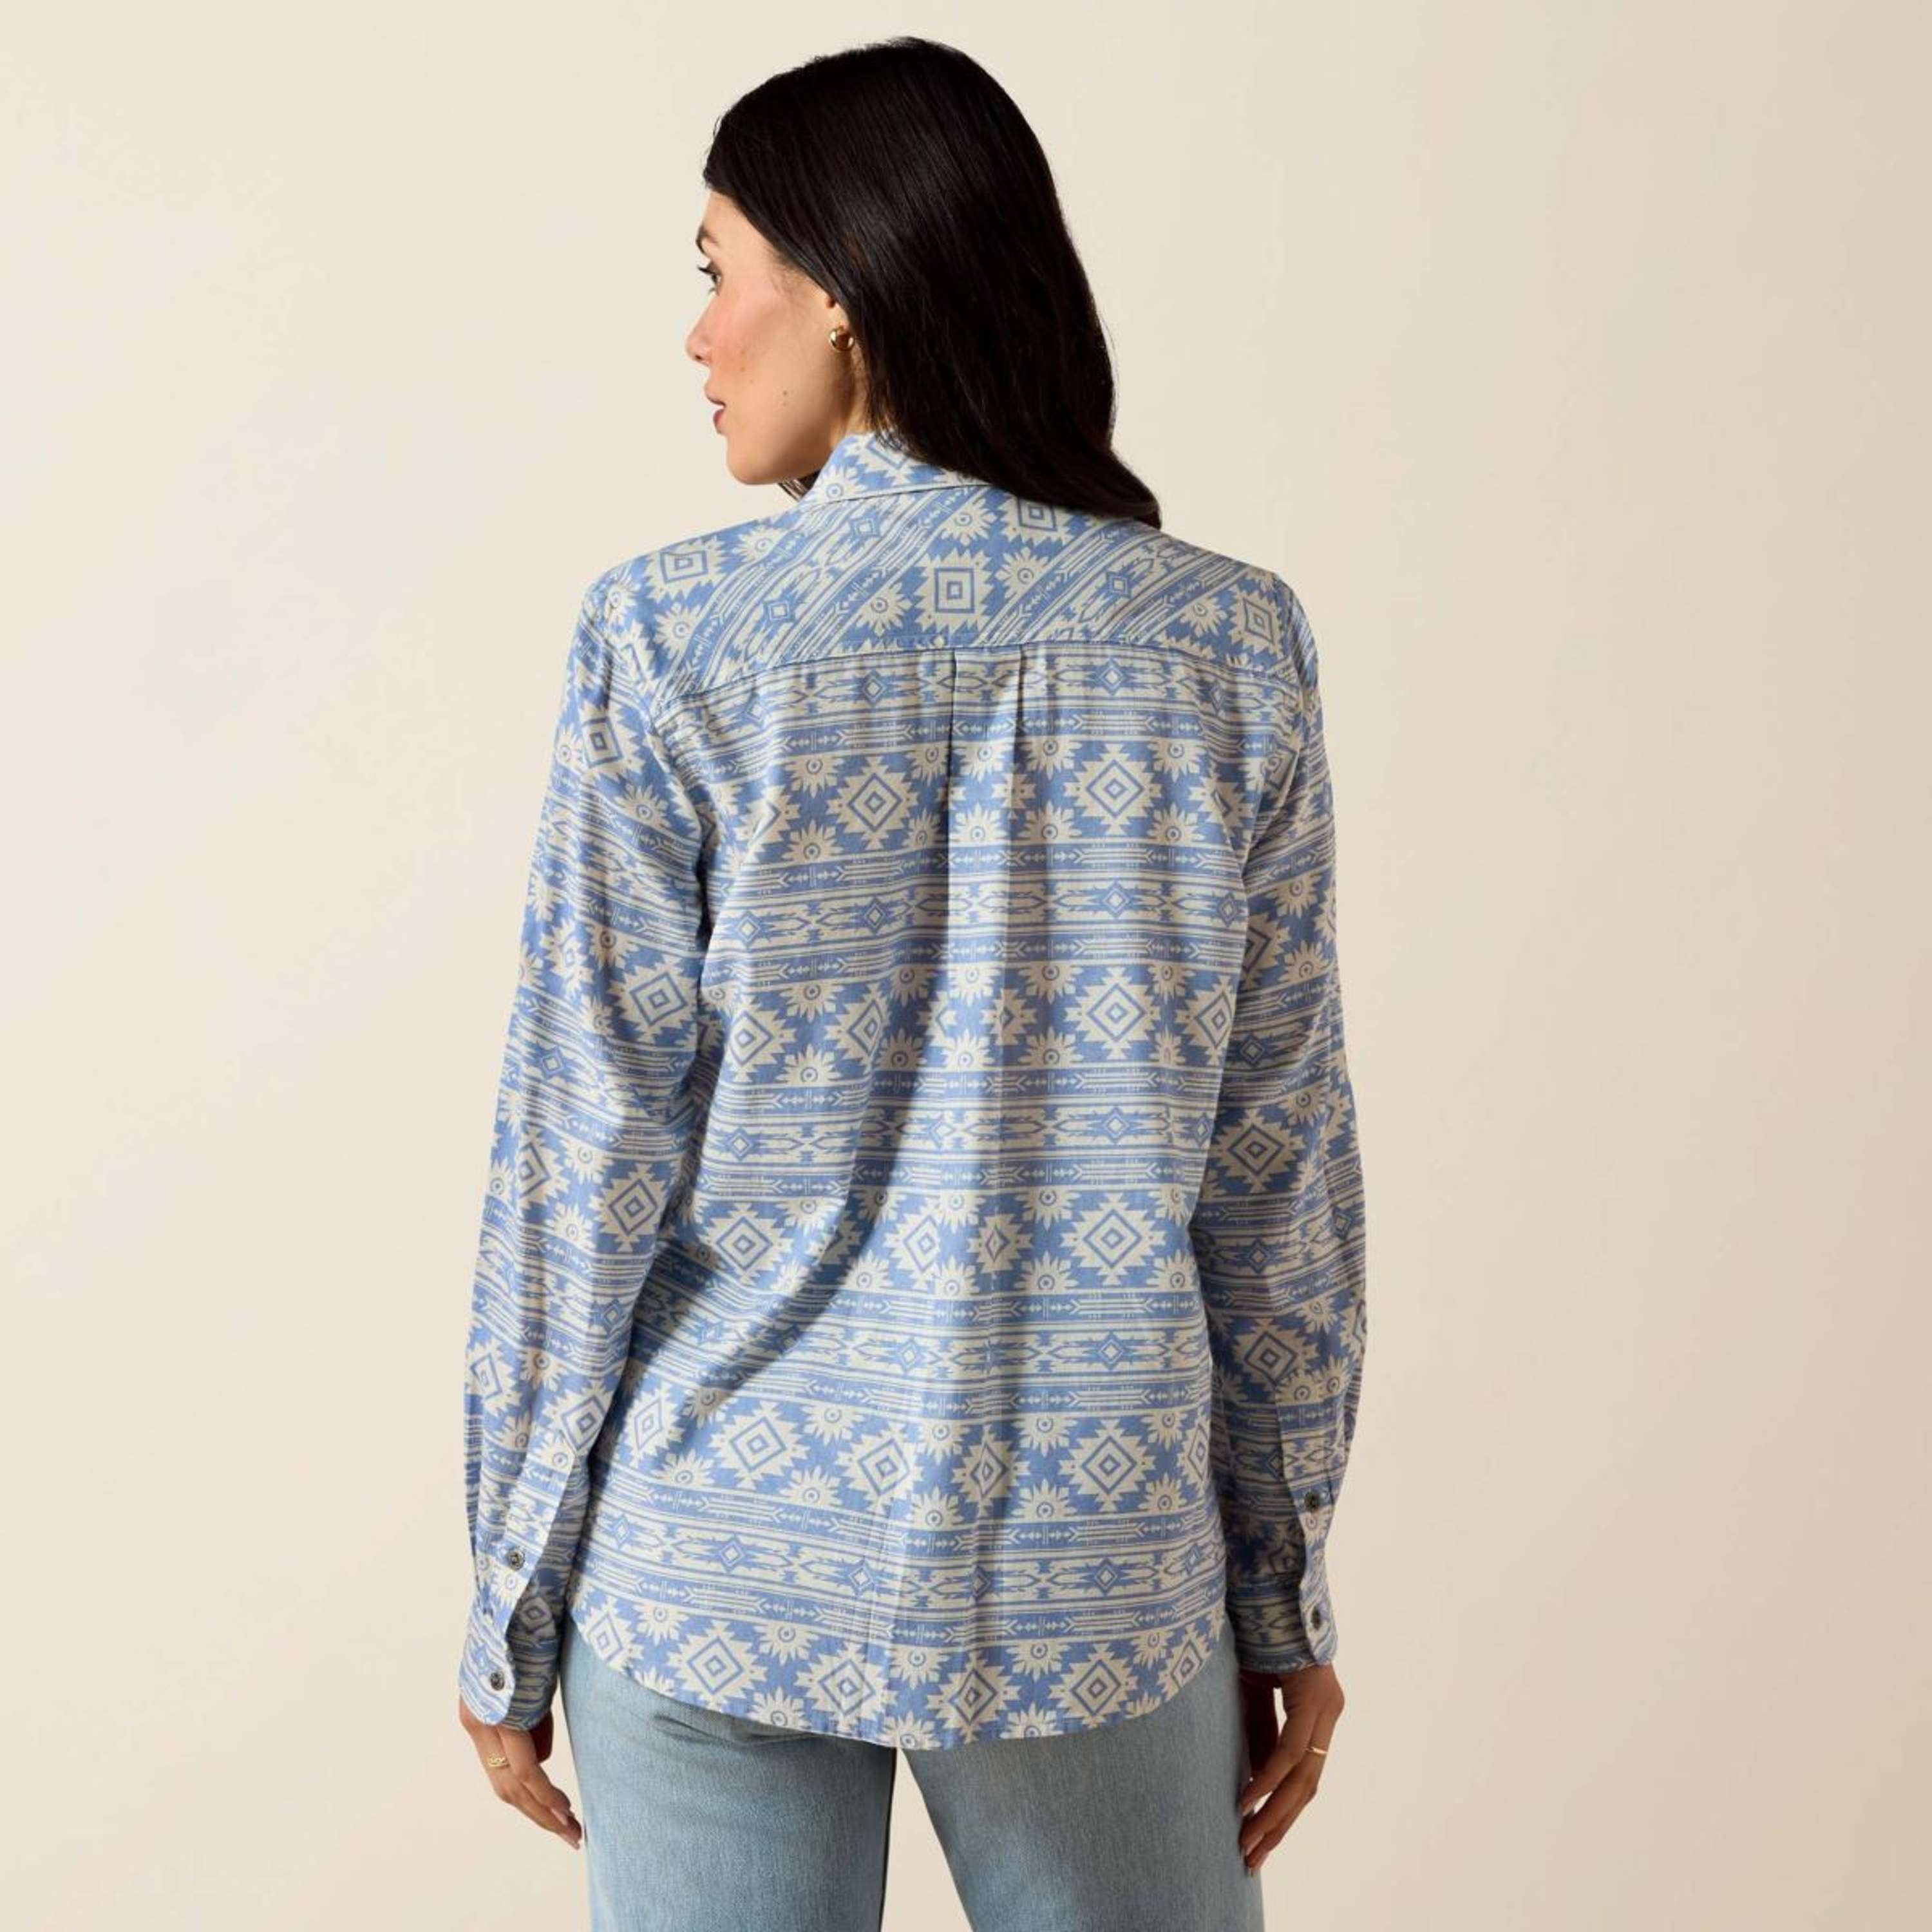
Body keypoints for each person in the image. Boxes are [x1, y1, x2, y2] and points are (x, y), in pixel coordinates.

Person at [455, 34, 1368, 1931]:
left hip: (717, 1548)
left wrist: (512, 1600)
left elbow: (579, 1157)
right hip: (1092, 1561)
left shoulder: (668, 640)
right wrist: (1279, 1592)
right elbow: (1276, 1174)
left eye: (717, 270)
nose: (698, 335)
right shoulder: (1227, 645)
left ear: (844, 291)